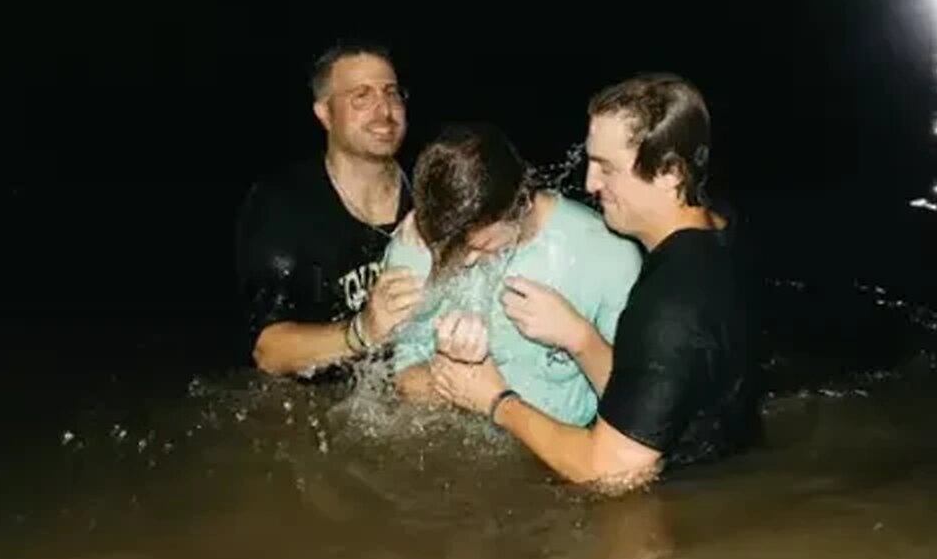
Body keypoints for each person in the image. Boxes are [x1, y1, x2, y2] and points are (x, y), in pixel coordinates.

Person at [430, 73, 763, 491]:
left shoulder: (671, 302)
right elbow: (660, 391)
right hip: (735, 467)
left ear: (670, 173)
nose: (590, 184)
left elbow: (613, 471)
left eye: (607, 168)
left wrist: (497, 401)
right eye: (591, 162)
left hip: (690, 503)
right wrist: (581, 339)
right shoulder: (722, 228)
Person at [383, 122, 643, 427]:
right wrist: (451, 372)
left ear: (522, 202)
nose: (465, 262)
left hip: (564, 456)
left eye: (480, 246)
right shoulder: (416, 244)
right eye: (451, 250)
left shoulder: (607, 253)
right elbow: (401, 380)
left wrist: (579, 338)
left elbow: (640, 406)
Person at [235, 40, 424, 378]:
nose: (384, 111)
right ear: (324, 113)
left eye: (391, 93)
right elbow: (268, 350)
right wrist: (362, 331)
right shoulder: (284, 204)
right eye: (361, 96)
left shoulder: (432, 193)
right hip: (322, 407)